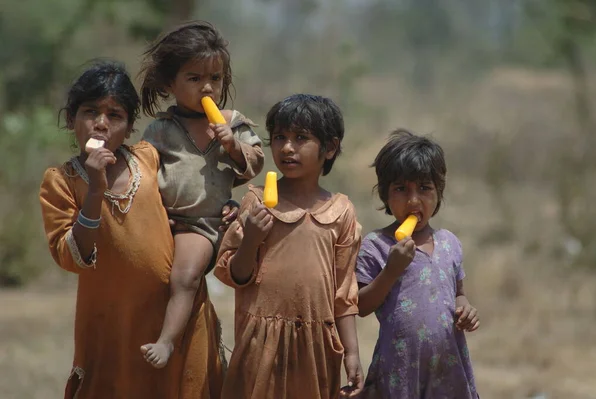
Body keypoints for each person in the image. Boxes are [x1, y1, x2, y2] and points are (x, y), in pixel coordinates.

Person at [39, 60, 231, 399]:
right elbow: (70, 256)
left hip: (175, 314)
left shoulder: (149, 158)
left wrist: (227, 207)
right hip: (112, 321)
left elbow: (193, 195)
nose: (101, 124)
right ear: (71, 120)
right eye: (90, 112)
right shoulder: (61, 181)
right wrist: (95, 189)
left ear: (129, 127)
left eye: (115, 115)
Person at [214, 94, 364, 399]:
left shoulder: (341, 212)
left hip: (317, 345)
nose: (287, 148)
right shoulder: (256, 202)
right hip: (261, 340)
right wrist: (251, 239)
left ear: (330, 147)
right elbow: (235, 275)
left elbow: (344, 294)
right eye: (279, 137)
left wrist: (352, 353)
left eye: (301, 138)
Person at [137, 21, 264, 368]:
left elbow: (255, 162)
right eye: (194, 79)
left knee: (185, 277)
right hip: (162, 221)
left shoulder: (232, 121)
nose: (207, 87)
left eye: (216, 78)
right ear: (170, 84)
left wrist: (233, 145)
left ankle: (167, 342)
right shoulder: (162, 129)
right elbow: (142, 170)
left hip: (201, 224)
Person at [356, 129, 480, 399]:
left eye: (424, 188)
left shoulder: (449, 243)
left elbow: (458, 293)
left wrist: (466, 309)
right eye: (401, 189)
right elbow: (361, 306)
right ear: (386, 196)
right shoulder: (376, 245)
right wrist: (391, 270)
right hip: (400, 371)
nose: (413, 200)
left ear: (438, 194)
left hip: (447, 370)